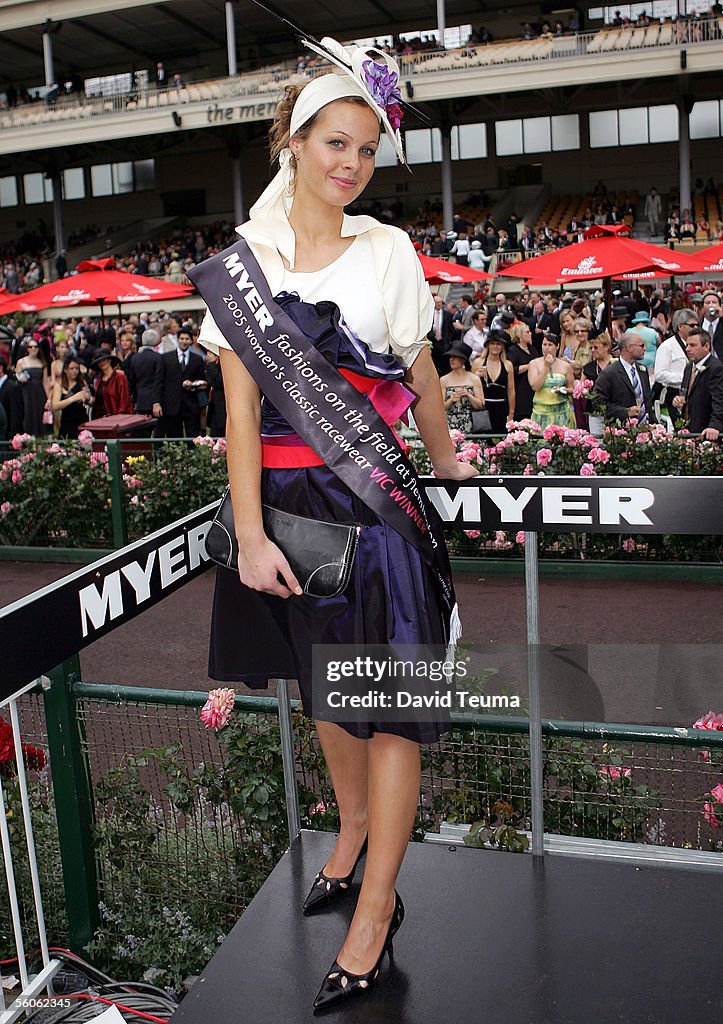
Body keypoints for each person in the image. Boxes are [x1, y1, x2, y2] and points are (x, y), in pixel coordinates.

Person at [194, 47, 477, 1012]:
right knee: (327, 691)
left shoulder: (390, 250)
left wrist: (445, 467)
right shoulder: (246, 266)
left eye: (365, 148)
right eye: (333, 143)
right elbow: (238, 411)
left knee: (391, 705)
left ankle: (378, 905)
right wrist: (251, 534)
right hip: (289, 519)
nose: (350, 163)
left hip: (380, 509)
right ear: (294, 143)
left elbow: (421, 373)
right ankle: (349, 833)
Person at [152, 324, 206, 437]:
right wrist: (156, 403)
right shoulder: (165, 358)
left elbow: (202, 381)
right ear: (177, 340)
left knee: (193, 438)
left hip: (191, 404)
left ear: (191, 341)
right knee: (174, 438)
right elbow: (158, 381)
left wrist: (193, 385)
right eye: (181, 339)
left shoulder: (197, 359)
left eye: (187, 339)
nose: (184, 341)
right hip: (171, 405)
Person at [592, 332, 657, 424]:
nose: (645, 349)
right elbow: (598, 403)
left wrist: (654, 423)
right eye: (641, 346)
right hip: (622, 430)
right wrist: (625, 412)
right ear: (630, 348)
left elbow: (647, 402)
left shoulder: (642, 370)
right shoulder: (609, 373)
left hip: (646, 428)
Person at [671, 327, 723, 440]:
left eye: (693, 345)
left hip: (706, 432)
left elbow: (720, 400)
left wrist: (714, 426)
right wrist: (679, 400)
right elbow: (687, 394)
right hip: (688, 431)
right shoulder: (689, 367)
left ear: (706, 347)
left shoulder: (717, 368)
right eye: (687, 345)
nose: (687, 349)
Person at [528, 333, 575, 428]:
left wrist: (563, 390)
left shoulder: (565, 366)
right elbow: (535, 387)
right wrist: (546, 366)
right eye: (544, 344)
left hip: (562, 411)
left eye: (550, 345)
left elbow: (572, 388)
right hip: (541, 412)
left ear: (557, 346)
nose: (546, 348)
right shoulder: (534, 364)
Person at [471, 330, 515, 432]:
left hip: (501, 408)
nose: (495, 347)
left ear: (503, 346)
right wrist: (476, 376)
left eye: (498, 344)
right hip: (483, 407)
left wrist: (511, 413)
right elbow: (470, 386)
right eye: (492, 343)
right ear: (488, 346)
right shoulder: (478, 363)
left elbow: (511, 391)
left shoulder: (508, 365)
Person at [440, 341, 485, 432]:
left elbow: (481, 405)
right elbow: (441, 406)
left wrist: (469, 395)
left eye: (455, 357)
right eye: (451, 357)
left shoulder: (474, 379)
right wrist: (451, 400)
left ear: (463, 360)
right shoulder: (444, 380)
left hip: (471, 424)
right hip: (451, 424)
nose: (452, 359)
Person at [14, 337, 51, 435]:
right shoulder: (21, 362)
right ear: (27, 348)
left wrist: (49, 398)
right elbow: (17, 379)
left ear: (39, 348)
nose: (33, 349)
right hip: (26, 392)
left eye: (36, 346)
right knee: (28, 415)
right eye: (30, 346)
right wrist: (21, 378)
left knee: (40, 417)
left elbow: (45, 382)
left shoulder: (42, 363)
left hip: (39, 392)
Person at [51, 356, 92, 438]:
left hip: (81, 419)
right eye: (72, 368)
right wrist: (73, 398)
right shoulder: (59, 385)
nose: (75, 371)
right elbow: (55, 405)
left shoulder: (82, 383)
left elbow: (90, 399)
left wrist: (88, 398)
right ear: (66, 370)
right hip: (67, 421)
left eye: (77, 368)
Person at [506, 321, 538, 420]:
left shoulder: (532, 349)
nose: (530, 334)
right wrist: (529, 366)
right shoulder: (513, 350)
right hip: (521, 390)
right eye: (527, 332)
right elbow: (512, 370)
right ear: (520, 335)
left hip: (533, 389)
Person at [89, 350, 132, 418]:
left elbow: (124, 400)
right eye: (99, 361)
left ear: (109, 360)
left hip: (118, 418)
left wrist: (119, 416)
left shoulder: (120, 376)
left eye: (104, 360)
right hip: (101, 419)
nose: (101, 363)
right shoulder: (98, 381)